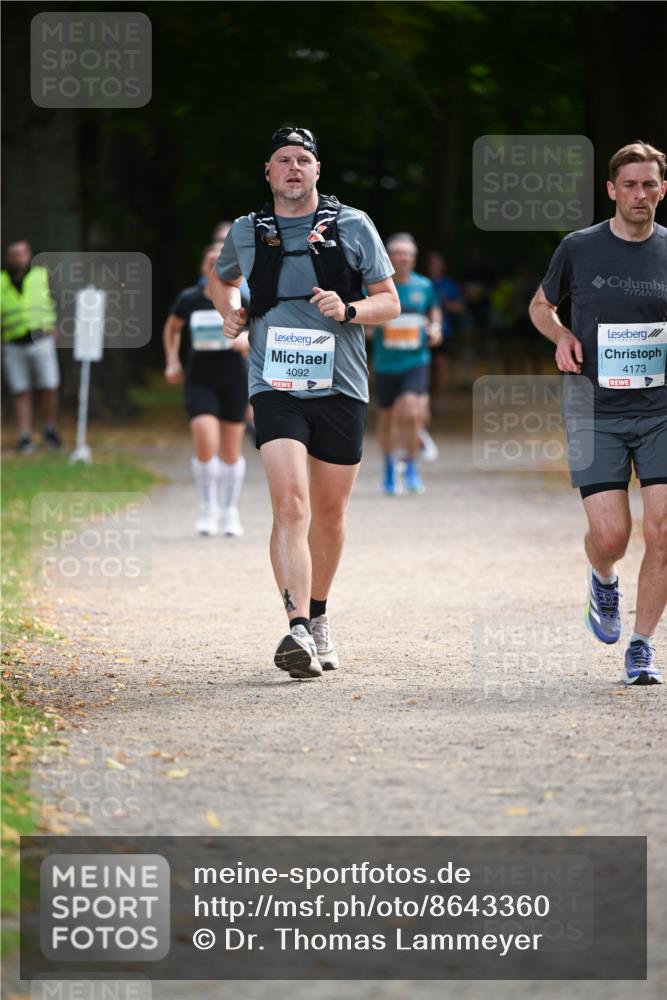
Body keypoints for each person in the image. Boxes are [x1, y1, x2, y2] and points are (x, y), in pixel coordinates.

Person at [209, 125, 399, 679]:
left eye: (303, 160)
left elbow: (390, 303)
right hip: (275, 383)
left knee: (330, 513)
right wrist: (232, 311)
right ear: (268, 173)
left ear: (317, 171)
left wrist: (350, 310)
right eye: (283, 161)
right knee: (291, 504)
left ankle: (318, 617)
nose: (293, 168)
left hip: (342, 385)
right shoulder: (247, 231)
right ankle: (294, 627)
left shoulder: (353, 225)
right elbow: (221, 278)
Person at [529, 140, 667, 686]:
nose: (639, 194)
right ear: (611, 190)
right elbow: (542, 305)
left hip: (661, 409)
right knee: (612, 535)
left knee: (663, 531)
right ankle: (602, 577)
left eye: (648, 184)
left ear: (663, 190)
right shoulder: (579, 248)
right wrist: (561, 336)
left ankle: (642, 645)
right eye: (629, 185)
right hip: (595, 408)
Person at [163, 242, 249, 537]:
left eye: (219, 261)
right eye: (209, 260)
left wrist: (247, 341)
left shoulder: (243, 299)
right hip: (199, 379)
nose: (214, 266)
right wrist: (172, 361)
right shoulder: (189, 299)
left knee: (229, 452)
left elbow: (264, 332)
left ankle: (229, 511)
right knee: (205, 440)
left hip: (234, 380)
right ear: (203, 266)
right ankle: (207, 506)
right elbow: (171, 329)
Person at [370, 233, 442, 495]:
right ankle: (389, 466)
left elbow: (434, 309)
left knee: (412, 413)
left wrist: (435, 327)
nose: (403, 258)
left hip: (416, 360)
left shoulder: (424, 286)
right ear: (389, 257)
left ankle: (410, 465)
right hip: (386, 363)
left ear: (414, 257)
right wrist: (375, 324)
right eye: (398, 253)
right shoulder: (379, 288)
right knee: (387, 418)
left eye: (408, 253)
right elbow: (366, 323)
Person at [1, 240, 62, 454]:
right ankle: (25, 436)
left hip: (42, 339)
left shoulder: (41, 276)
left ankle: (49, 428)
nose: (18, 258)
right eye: (14, 254)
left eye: (22, 253)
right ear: (9, 257)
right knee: (21, 391)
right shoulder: (1, 281)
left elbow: (59, 300)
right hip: (13, 343)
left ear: (29, 255)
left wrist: (58, 326)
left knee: (50, 386)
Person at [425, 250, 465, 407]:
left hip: (445, 332)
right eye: (432, 263)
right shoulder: (423, 283)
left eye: (437, 264)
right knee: (426, 368)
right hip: (422, 332)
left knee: (441, 366)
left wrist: (447, 305)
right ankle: (424, 398)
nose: (435, 266)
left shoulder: (449, 284)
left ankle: (436, 400)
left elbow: (461, 306)